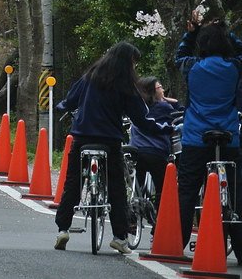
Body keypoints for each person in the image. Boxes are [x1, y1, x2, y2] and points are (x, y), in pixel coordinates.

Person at [54, 41, 174, 255]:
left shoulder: (90, 76)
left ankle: (63, 229)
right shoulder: (126, 85)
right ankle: (119, 237)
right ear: (128, 63)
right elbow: (141, 118)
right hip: (109, 141)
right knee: (116, 187)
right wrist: (163, 127)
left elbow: (70, 101)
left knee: (73, 182)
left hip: (82, 138)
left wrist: (60, 107)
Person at [175, 13, 242, 257]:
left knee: (187, 191)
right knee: (236, 193)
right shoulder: (234, 67)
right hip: (228, 136)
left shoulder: (192, 66)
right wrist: (226, 31)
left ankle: (178, 242)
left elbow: (179, 55)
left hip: (195, 136)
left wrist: (193, 32)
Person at [128, 76, 177, 215]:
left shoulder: (138, 108)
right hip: (156, 152)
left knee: (137, 183)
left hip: (136, 150)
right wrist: (173, 102)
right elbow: (179, 112)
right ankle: (158, 222)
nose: (163, 89)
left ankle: (132, 215)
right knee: (162, 187)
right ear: (152, 91)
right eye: (160, 87)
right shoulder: (164, 107)